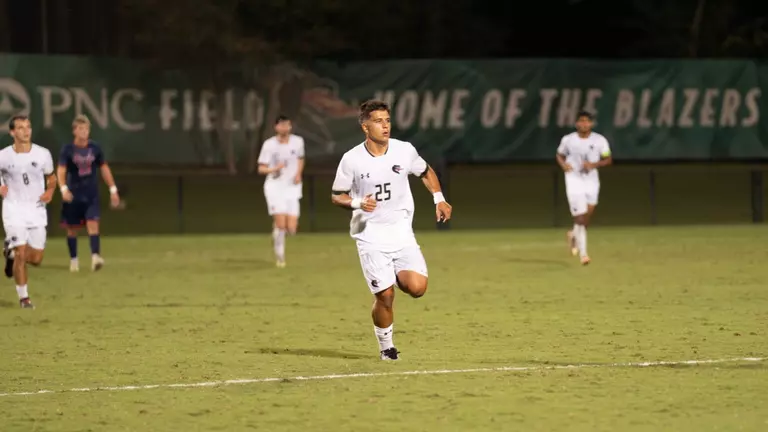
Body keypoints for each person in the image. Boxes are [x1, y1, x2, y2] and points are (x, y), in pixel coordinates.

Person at [330, 100, 453, 360]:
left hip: (401, 234)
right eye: (378, 121)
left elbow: (425, 171)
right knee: (385, 296)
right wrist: (356, 202)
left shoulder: (404, 150)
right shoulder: (351, 159)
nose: (385, 126)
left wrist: (438, 198)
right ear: (365, 127)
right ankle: (387, 347)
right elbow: (336, 195)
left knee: (417, 288)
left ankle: (393, 273)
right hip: (369, 235)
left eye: (387, 120)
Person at [0, 115, 56, 309]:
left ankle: (10, 255)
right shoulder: (4, 155)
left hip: (37, 211)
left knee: (37, 258)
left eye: (28, 127)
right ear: (12, 132)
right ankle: (24, 298)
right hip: (13, 210)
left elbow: (52, 177)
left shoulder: (42, 154)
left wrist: (50, 191)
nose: (26, 131)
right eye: (21, 128)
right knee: (22, 253)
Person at [57, 115, 121, 272]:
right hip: (73, 194)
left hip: (91, 193)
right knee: (72, 229)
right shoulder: (68, 150)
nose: (84, 132)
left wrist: (113, 189)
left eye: (86, 129)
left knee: (93, 224)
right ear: (74, 131)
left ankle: (95, 257)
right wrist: (63, 188)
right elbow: (61, 170)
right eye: (80, 129)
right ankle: (74, 260)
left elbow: (104, 168)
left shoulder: (95, 148)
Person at [556, 111, 613, 265]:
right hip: (573, 180)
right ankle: (584, 254)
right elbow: (560, 154)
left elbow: (608, 159)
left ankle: (573, 235)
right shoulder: (568, 140)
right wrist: (563, 165)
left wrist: (594, 164)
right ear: (576, 123)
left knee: (586, 217)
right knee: (580, 217)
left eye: (587, 121)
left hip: (592, 181)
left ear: (591, 124)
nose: (584, 124)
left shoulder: (600, 140)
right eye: (581, 121)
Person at [257, 115, 305, 268]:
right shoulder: (269, 145)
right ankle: (280, 257)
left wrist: (298, 173)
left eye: (287, 125)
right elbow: (261, 168)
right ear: (276, 127)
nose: (285, 128)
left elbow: (300, 158)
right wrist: (274, 169)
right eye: (282, 125)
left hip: (292, 187)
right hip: (275, 187)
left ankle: (277, 233)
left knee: (291, 228)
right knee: (281, 224)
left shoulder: (298, 142)